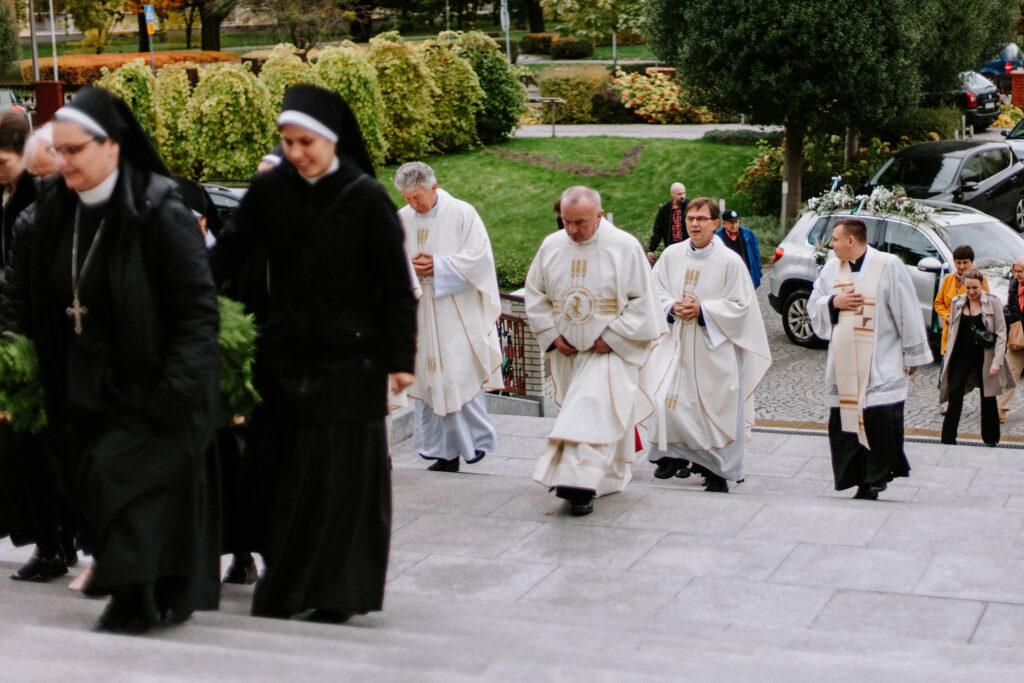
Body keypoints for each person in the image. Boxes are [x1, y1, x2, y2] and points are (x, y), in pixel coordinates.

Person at [0, 86, 222, 633]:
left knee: (123, 481)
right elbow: (33, 296)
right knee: (97, 484)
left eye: (75, 151)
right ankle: (151, 591)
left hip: (152, 384)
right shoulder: (54, 210)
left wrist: (176, 391)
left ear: (113, 147)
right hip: (84, 384)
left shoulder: (159, 210)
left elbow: (197, 310)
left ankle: (134, 599)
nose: (63, 162)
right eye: (60, 151)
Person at [211, 84, 417, 623]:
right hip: (285, 361)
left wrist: (401, 359)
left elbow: (395, 288)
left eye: (305, 142)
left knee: (337, 486)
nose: (296, 152)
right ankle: (287, 585)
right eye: (287, 141)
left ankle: (337, 593)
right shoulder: (273, 190)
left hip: (352, 366)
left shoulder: (366, 198)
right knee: (282, 481)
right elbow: (229, 251)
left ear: (330, 140)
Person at [525, 186, 665, 516]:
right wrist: (554, 335)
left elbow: (644, 303)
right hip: (570, 353)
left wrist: (614, 337)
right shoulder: (551, 246)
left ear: (599, 216)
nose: (572, 230)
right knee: (595, 414)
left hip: (609, 352)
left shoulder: (624, 247)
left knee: (589, 409)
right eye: (566, 221)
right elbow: (536, 295)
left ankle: (577, 485)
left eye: (581, 223)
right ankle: (608, 475)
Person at [643, 199, 771, 493]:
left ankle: (716, 471)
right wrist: (671, 306)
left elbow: (742, 306)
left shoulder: (729, 262)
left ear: (715, 223)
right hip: (675, 345)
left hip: (713, 351)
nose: (695, 224)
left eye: (702, 218)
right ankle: (673, 455)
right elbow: (654, 291)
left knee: (712, 411)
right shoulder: (672, 255)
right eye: (690, 218)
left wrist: (704, 311)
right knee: (667, 401)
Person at [807, 217, 932, 500]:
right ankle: (858, 477)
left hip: (882, 359)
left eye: (835, 239)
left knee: (879, 418)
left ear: (851, 240)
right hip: (844, 362)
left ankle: (876, 477)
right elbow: (814, 303)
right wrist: (833, 303)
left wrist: (912, 354)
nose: (830, 245)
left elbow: (907, 309)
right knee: (845, 420)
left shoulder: (888, 265)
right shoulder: (831, 268)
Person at [395, 161, 502, 473]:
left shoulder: (462, 214)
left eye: (417, 197)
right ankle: (442, 453)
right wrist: (411, 270)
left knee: (457, 375)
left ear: (434, 188)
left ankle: (474, 445)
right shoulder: (401, 219)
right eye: (406, 198)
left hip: (456, 310)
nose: (412, 204)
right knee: (429, 380)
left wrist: (439, 266)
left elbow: (480, 258)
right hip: (420, 310)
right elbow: (391, 257)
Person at [939, 269, 1014, 446]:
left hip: (984, 354)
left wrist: (997, 361)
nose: (971, 292)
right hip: (962, 354)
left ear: (981, 285)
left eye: (975, 288)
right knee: (955, 391)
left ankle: (991, 438)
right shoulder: (958, 302)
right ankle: (948, 437)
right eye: (968, 288)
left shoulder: (992, 302)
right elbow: (952, 332)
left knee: (988, 395)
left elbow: (1001, 332)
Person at [998, 257, 1024, 422]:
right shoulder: (1013, 286)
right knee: (1010, 373)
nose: (1016, 275)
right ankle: (1001, 409)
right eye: (1015, 271)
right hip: (1017, 337)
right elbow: (1011, 307)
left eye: (1020, 272)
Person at [714, 209, 762, 289]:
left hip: (747, 275)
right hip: (728, 278)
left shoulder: (748, 235)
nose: (734, 225)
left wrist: (758, 271)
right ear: (724, 224)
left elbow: (756, 254)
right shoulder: (716, 238)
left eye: (736, 222)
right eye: (731, 223)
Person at [646, 182, 687, 264]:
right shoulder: (665, 209)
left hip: (687, 247)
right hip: (671, 248)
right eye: (679, 194)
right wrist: (651, 249)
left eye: (684, 193)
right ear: (672, 194)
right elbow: (658, 230)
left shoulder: (689, 206)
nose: (682, 196)